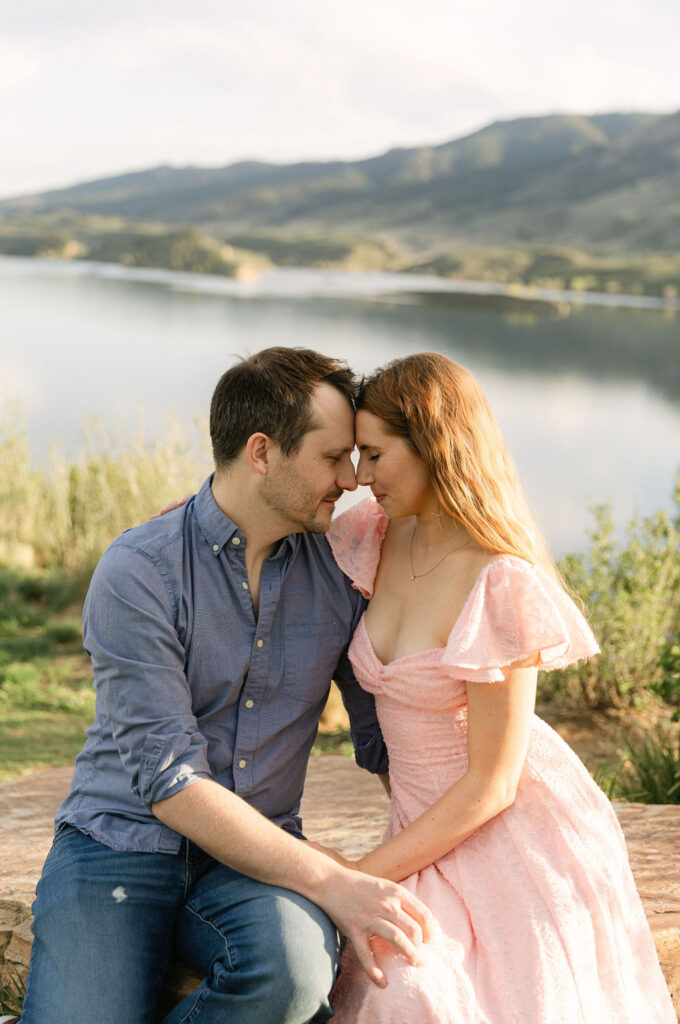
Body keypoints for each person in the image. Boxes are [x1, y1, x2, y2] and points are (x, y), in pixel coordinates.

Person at [19, 348, 432, 1024]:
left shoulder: (342, 570)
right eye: (332, 458)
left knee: (296, 979)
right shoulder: (139, 572)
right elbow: (169, 783)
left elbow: (384, 737)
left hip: (259, 856)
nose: (351, 479)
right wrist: (332, 880)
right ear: (262, 453)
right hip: (117, 842)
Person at [322, 352, 676, 1023]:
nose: (360, 478)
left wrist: (351, 876)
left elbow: (493, 785)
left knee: (414, 992)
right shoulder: (376, 532)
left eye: (374, 455)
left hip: (506, 833)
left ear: (433, 444)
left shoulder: (500, 580)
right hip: (420, 819)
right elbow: (279, 541)